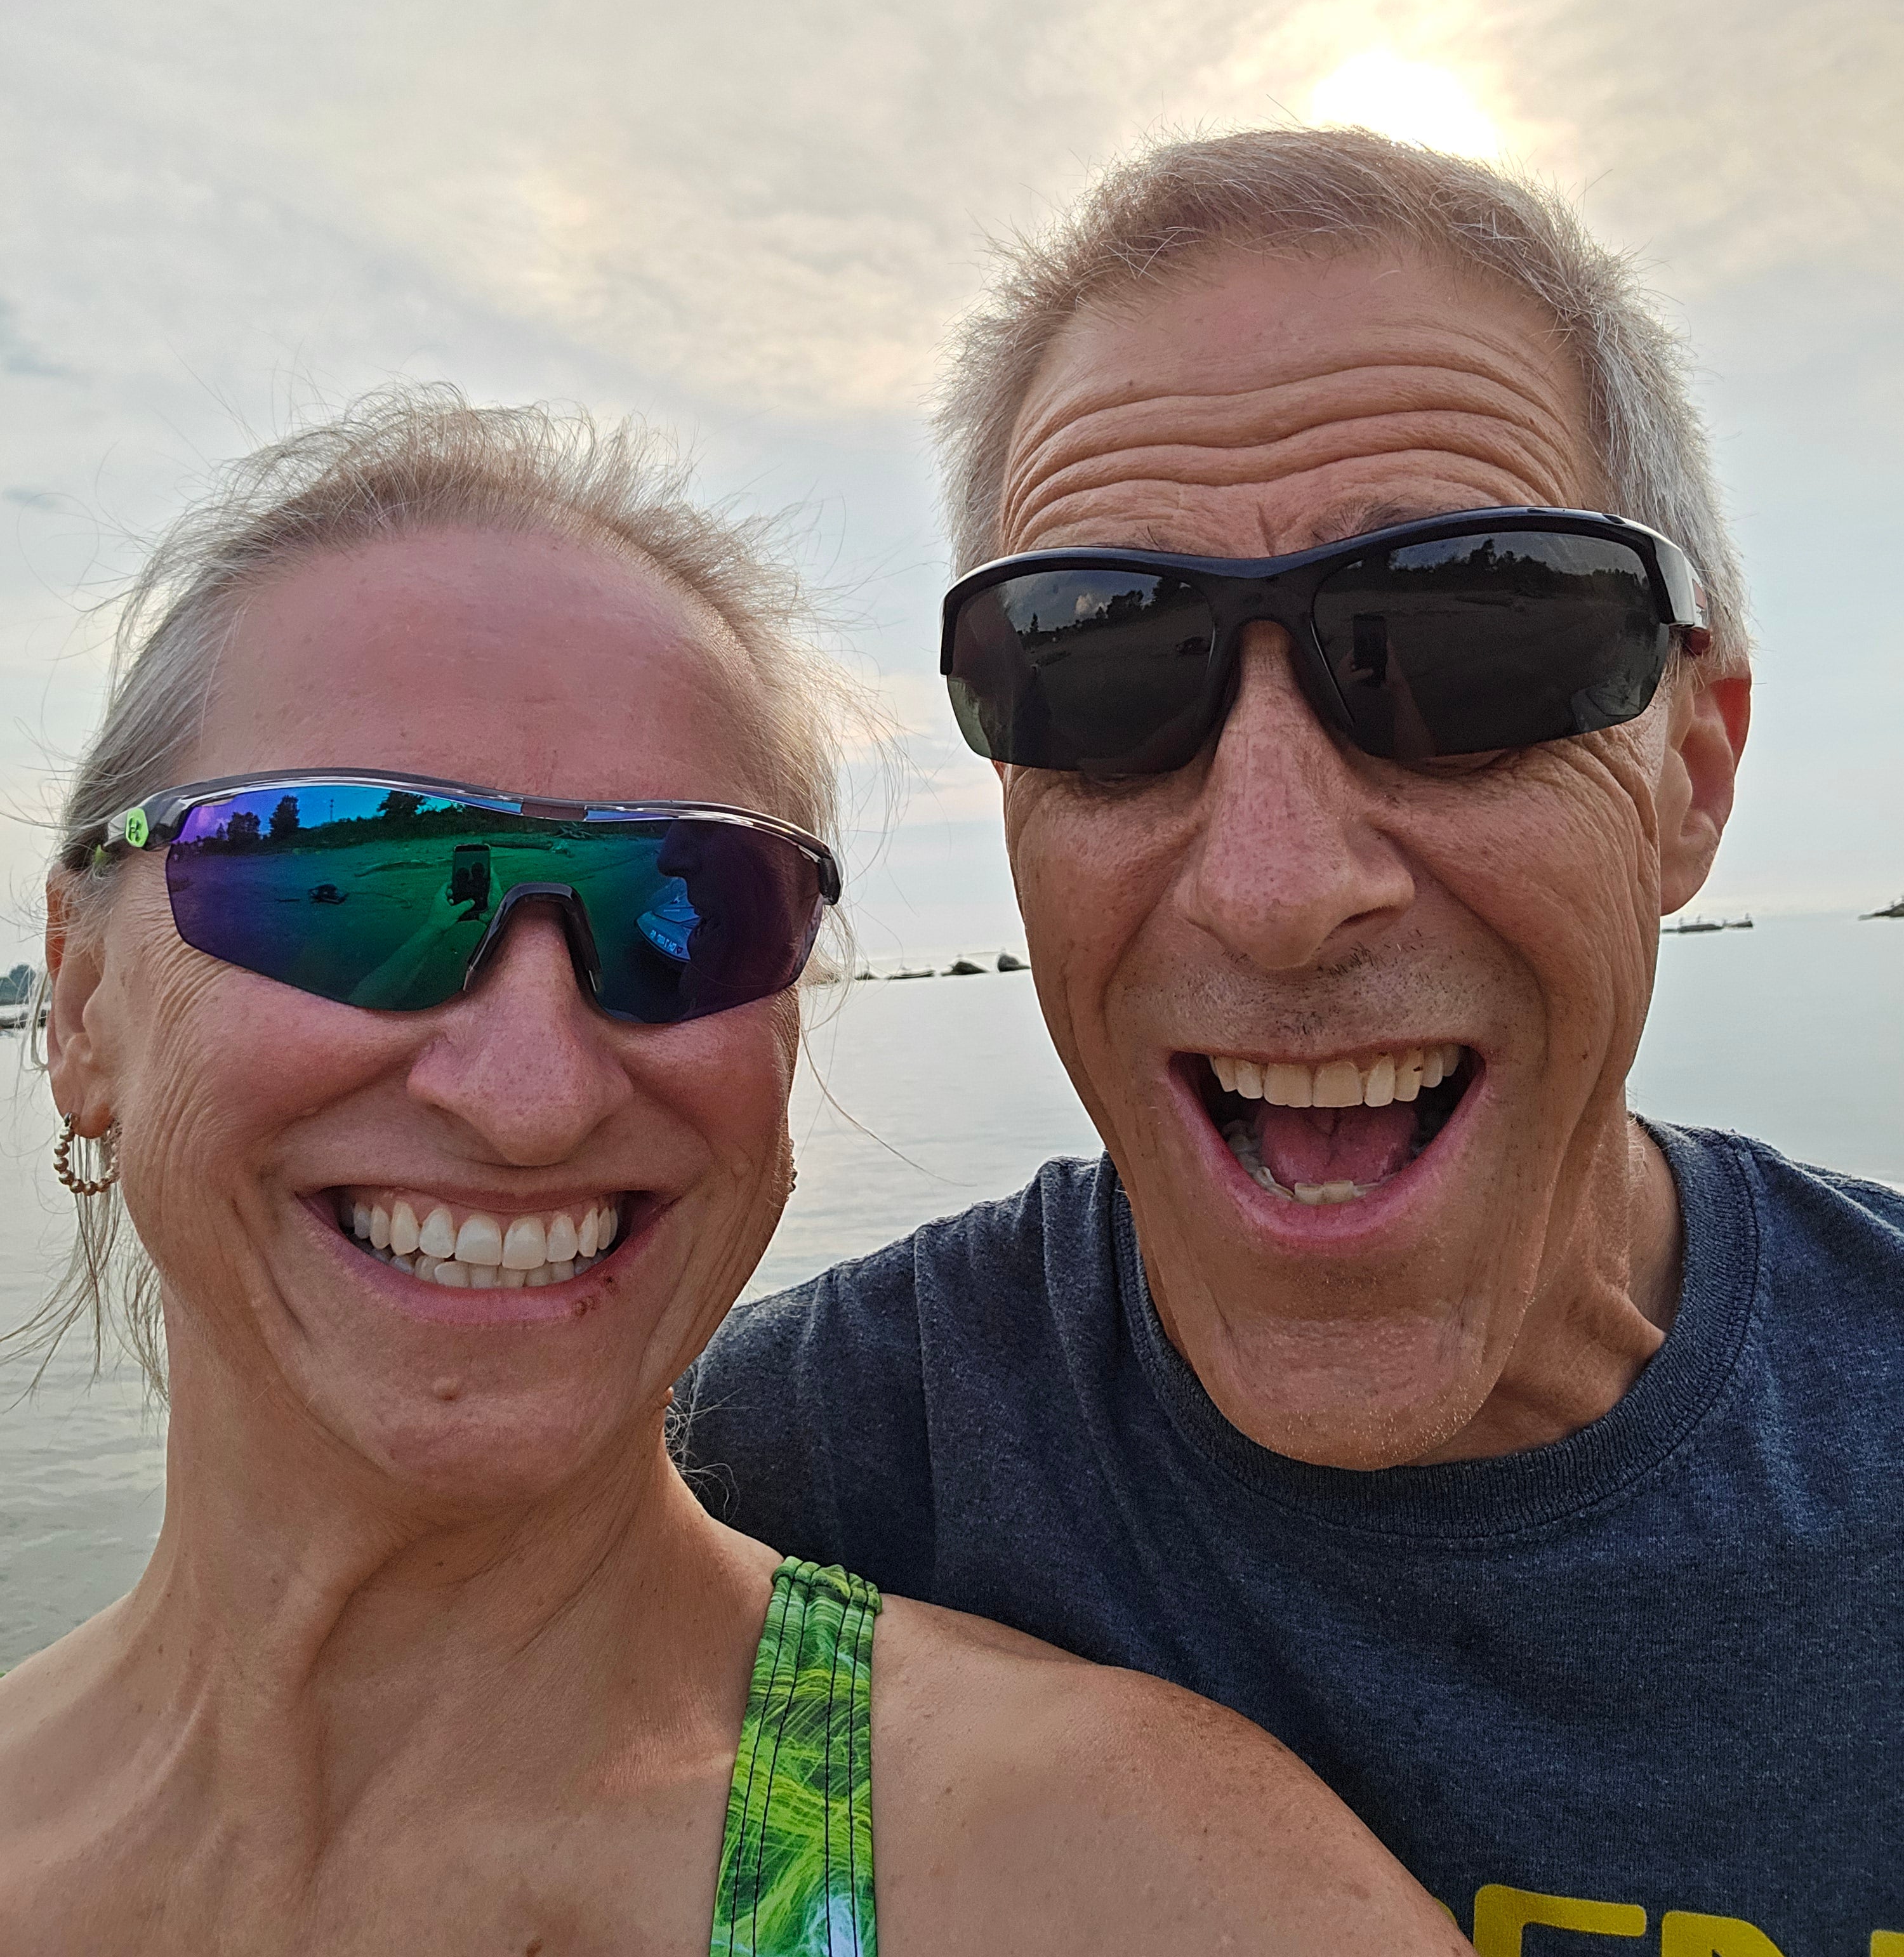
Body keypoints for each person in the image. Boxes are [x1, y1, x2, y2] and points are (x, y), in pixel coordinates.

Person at [0, 390, 1464, 1957]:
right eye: (346, 882)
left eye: (689, 910)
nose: (533, 1094)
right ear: (79, 1001)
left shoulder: (1136, 1886)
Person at [682, 130, 1904, 1954]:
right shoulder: (800, 1475)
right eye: (1098, 670)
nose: (1275, 889)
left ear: (1694, 778)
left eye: (1467, 644)